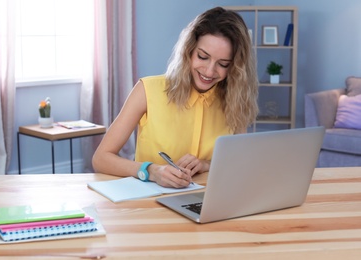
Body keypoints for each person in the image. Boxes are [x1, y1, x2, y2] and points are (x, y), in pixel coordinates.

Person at [92, 7, 258, 188]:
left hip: (207, 201)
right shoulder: (148, 90)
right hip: (151, 203)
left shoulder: (234, 99)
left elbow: (240, 162)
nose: (210, 71)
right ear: (189, 51)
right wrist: (152, 171)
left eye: (223, 64)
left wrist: (206, 165)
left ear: (235, 67)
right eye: (203, 57)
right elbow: (101, 159)